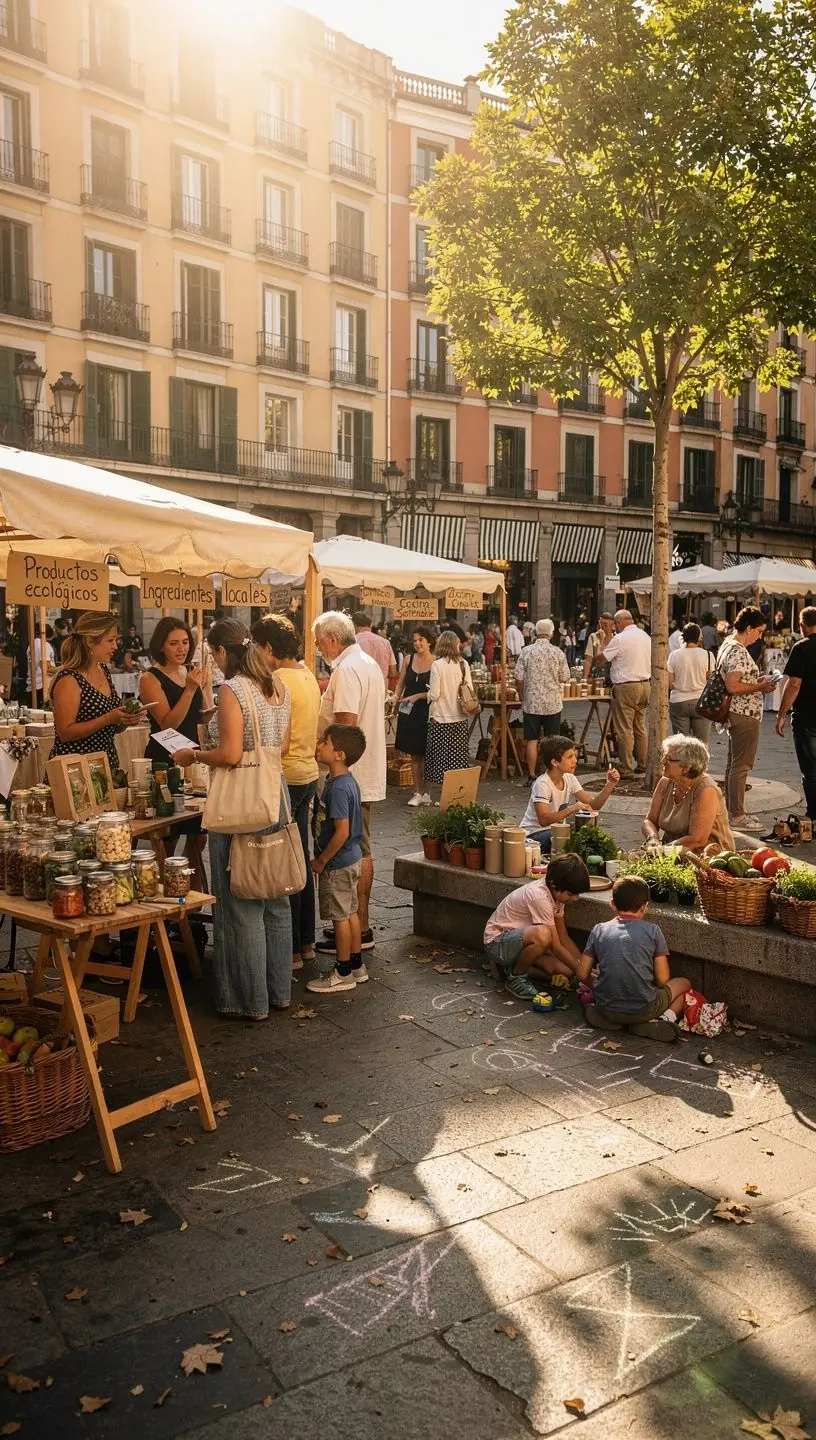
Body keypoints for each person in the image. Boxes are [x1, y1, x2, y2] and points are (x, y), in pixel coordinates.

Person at [174, 618, 292, 1021]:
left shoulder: (234, 688)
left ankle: (247, 1000)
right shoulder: (278, 686)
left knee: (241, 902)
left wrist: (193, 755)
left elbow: (228, 755)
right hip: (277, 795)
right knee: (275, 897)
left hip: (243, 803)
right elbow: (283, 744)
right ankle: (278, 992)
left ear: (222, 653)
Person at [313, 611, 386, 963]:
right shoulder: (367, 662)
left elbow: (345, 726)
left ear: (330, 639)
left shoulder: (345, 669)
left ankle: (359, 927)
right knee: (360, 845)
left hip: (353, 773)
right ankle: (358, 925)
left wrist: (330, 760)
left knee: (357, 847)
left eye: (317, 642)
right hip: (365, 771)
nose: (317, 649)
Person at [252, 613, 321, 971]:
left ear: (267, 647)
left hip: (287, 775)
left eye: (256, 647)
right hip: (307, 772)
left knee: (284, 863)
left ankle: (291, 948)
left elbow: (277, 740)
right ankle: (305, 942)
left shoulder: (277, 680)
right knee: (300, 858)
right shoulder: (308, 675)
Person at [140, 617, 212, 892]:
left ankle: (190, 890)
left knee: (198, 832)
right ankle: (165, 887)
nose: (181, 649)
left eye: (185, 642)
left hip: (192, 754)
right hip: (164, 756)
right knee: (167, 832)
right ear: (161, 646)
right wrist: (191, 688)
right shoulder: (150, 677)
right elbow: (167, 722)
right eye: (173, 644)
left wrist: (205, 692)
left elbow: (201, 715)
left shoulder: (189, 671)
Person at [577, 875, 692, 1042]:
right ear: (645, 907)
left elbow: (581, 974)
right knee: (684, 984)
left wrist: (600, 985)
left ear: (612, 904)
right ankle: (663, 1019)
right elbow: (662, 979)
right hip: (644, 1008)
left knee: (602, 980)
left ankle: (607, 1018)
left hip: (607, 1006)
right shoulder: (653, 931)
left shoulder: (599, 930)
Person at [307, 723, 367, 995]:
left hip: (339, 863)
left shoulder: (339, 789)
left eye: (325, 742)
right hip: (352, 859)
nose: (319, 745)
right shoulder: (346, 782)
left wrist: (321, 861)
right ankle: (357, 966)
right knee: (351, 912)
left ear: (339, 754)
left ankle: (342, 972)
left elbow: (341, 831)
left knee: (340, 917)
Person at [483, 853, 590, 1002]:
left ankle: (508, 969)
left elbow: (563, 937)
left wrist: (582, 965)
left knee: (566, 971)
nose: (575, 899)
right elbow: (556, 945)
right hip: (497, 943)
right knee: (543, 934)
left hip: (520, 943)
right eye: (571, 894)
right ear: (554, 884)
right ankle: (516, 977)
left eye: (578, 894)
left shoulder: (558, 896)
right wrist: (585, 976)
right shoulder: (539, 896)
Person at [50, 611, 145, 771]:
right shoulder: (69, 679)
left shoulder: (103, 670)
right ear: (90, 641)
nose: (115, 646)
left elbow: (110, 728)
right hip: (75, 772)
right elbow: (65, 732)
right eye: (110, 640)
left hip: (106, 766)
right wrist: (108, 718)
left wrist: (125, 720)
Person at [717, 605, 776, 829]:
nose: (759, 636)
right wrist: (759, 685)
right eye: (759, 631)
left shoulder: (728, 644)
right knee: (741, 765)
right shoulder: (738, 649)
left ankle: (732, 811)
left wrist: (756, 681)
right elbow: (733, 685)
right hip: (744, 712)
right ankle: (738, 815)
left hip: (737, 711)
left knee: (734, 764)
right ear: (749, 628)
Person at [520, 736, 620, 848]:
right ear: (555, 762)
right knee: (569, 837)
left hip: (556, 832)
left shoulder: (569, 778)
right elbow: (543, 820)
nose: (575, 760)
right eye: (569, 757)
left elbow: (594, 805)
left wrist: (610, 784)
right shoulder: (542, 784)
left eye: (574, 756)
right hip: (534, 835)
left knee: (588, 835)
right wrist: (572, 809)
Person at [642, 734, 734, 851]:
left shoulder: (706, 790)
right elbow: (649, 820)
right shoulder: (665, 782)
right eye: (664, 756)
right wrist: (653, 839)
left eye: (669, 759)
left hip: (706, 853)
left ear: (687, 767)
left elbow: (697, 839)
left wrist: (663, 850)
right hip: (670, 849)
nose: (663, 761)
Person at [595, 610, 652, 779]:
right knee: (640, 727)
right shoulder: (645, 637)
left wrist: (601, 641)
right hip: (645, 685)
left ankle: (627, 768)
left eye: (615, 624)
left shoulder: (620, 639)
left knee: (625, 730)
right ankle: (643, 764)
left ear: (619, 623)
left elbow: (601, 659)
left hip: (626, 686)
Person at [515, 619, 571, 782]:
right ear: (551, 633)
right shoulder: (557, 652)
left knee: (532, 740)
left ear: (536, 633)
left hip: (531, 702)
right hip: (552, 703)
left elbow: (518, 677)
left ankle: (532, 775)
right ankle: (551, 775)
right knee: (552, 740)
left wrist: (521, 694)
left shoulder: (527, 651)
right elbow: (565, 677)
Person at [776, 606, 816, 820]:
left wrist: (782, 713)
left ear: (802, 625)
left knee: (810, 770)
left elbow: (794, 684)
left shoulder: (801, 648)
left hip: (807, 717)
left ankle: (814, 814)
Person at [425, 630, 476, 786]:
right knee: (457, 758)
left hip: (440, 717)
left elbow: (434, 694)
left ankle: (443, 793)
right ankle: (456, 792)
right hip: (459, 716)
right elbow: (469, 688)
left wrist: (427, 693)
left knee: (441, 758)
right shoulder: (463, 664)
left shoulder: (437, 665)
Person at [393, 625, 435, 806]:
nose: (417, 643)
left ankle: (428, 792)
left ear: (429, 642)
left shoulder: (436, 662)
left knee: (428, 753)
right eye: (415, 640)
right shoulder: (408, 660)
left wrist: (418, 696)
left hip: (427, 712)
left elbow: (437, 691)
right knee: (414, 755)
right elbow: (400, 683)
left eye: (421, 640)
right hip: (408, 711)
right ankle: (418, 791)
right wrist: (395, 698)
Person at [667, 622, 713, 742]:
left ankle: (682, 761)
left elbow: (670, 683)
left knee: (681, 744)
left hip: (679, 701)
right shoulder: (708, 655)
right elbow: (711, 680)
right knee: (702, 744)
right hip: (701, 701)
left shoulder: (673, 655)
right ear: (699, 637)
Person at [353, 612, 397, 689]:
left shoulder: (353, 643)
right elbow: (393, 673)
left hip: (360, 692)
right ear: (370, 625)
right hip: (381, 692)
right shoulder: (385, 642)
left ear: (355, 626)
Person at [27, 624, 55, 705]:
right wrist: (64, 667)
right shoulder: (44, 644)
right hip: (42, 685)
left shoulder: (32, 644)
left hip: (34, 685)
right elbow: (47, 669)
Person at [583, 613, 615, 682]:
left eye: (605, 625)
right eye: (600, 624)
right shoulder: (593, 636)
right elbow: (588, 659)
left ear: (612, 626)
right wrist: (585, 677)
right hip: (596, 673)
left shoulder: (616, 638)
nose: (602, 627)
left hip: (611, 675)